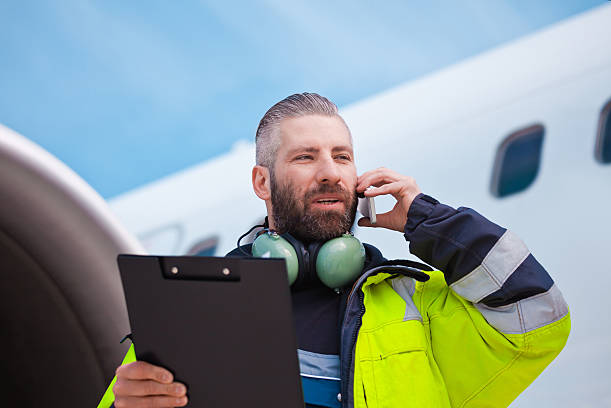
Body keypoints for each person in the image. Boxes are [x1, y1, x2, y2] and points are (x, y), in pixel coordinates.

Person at [99, 93, 570, 408]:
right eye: (306, 157)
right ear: (262, 182)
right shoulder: (189, 308)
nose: (330, 172)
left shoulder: (416, 303)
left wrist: (431, 222)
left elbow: (538, 319)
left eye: (342, 157)